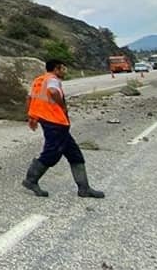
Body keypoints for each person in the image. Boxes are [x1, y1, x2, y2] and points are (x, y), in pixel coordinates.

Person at [22, 58, 104, 198]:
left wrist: (31, 116)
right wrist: (63, 106)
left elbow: (29, 98)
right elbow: (53, 92)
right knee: (51, 153)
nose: (65, 71)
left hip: (47, 120)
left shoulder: (38, 80)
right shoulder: (53, 79)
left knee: (74, 154)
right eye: (63, 69)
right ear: (56, 69)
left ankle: (84, 188)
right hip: (55, 122)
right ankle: (31, 180)